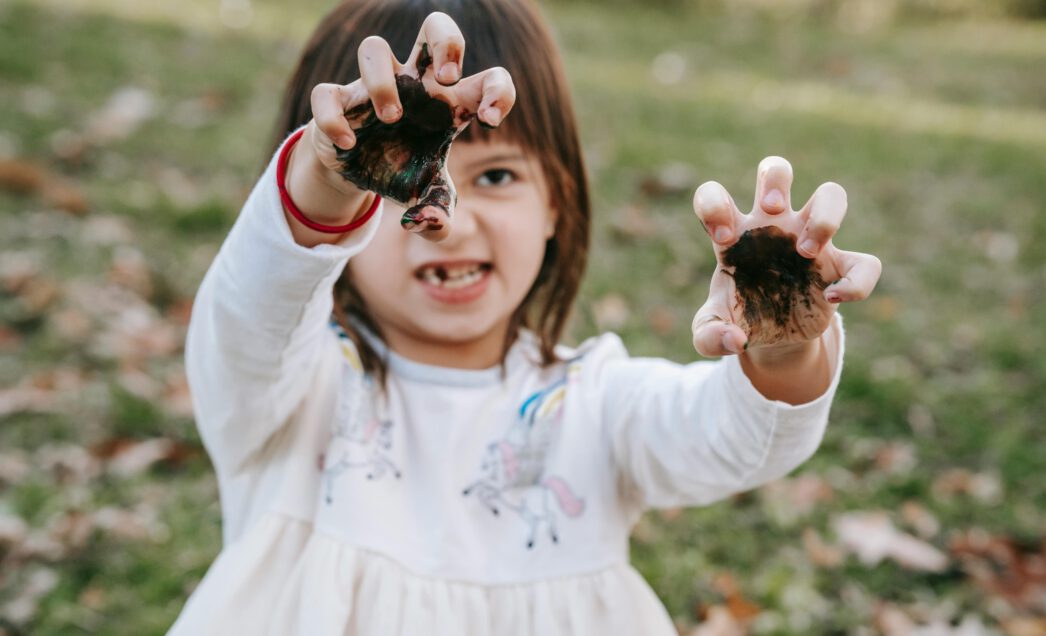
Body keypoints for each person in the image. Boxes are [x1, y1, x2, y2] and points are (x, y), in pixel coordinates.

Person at [168, 0, 882, 634]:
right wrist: (324, 181)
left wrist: (784, 344)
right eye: (400, 168)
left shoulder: (594, 404)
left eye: (499, 176)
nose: (451, 216)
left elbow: (731, 440)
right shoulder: (288, 389)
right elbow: (247, 314)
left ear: (556, 206)